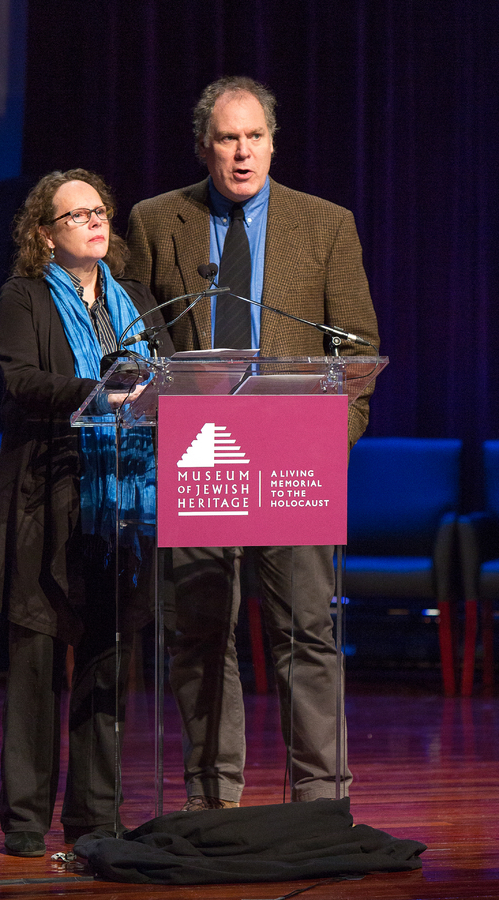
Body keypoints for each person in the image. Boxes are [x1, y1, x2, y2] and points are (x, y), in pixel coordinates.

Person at [125, 77, 380, 810]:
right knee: (203, 631)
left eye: (255, 136)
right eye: (228, 138)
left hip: (294, 453)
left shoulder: (325, 224)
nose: (243, 153)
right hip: (200, 454)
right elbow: (138, 339)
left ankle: (323, 800)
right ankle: (212, 800)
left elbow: (358, 345)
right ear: (205, 146)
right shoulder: (154, 220)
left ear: (273, 140)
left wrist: (335, 440)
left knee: (305, 628)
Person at [0, 168, 173, 857]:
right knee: (36, 662)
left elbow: (171, 377)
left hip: (123, 504)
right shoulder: (24, 297)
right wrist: (108, 393)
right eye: (75, 215)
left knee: (107, 660)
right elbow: (22, 381)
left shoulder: (140, 301)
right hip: (47, 501)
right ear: (44, 234)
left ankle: (96, 817)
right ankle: (26, 822)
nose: (95, 221)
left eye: (100, 210)